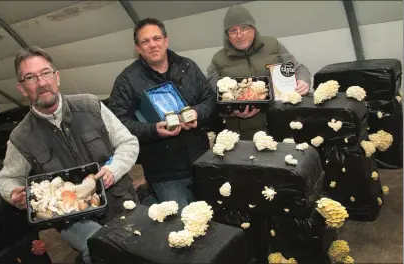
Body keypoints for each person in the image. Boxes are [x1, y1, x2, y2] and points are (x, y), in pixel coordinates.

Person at [0, 46, 140, 264]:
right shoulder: (21, 137)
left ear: (57, 76)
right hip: (74, 220)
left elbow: (128, 143)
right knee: (103, 250)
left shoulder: (91, 106)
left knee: (139, 251)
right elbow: (6, 179)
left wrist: (114, 169)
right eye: (30, 78)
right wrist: (13, 195)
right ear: (22, 88)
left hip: (121, 201)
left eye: (45, 73)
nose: (42, 82)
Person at [108, 18, 216, 210]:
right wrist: (153, 129)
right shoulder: (127, 80)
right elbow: (119, 124)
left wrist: (196, 114)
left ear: (166, 40)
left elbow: (209, 99)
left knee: (210, 214)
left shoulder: (188, 67)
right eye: (145, 41)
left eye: (156, 38)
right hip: (164, 169)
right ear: (138, 48)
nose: (152, 45)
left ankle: (148, 196)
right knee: (180, 224)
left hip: (201, 159)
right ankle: (147, 196)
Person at [207, 5, 311, 140]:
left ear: (253, 28)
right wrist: (231, 112)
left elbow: (299, 69)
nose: (239, 35)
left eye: (244, 28)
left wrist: (303, 81)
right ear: (227, 35)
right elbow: (211, 96)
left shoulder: (273, 45)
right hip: (245, 134)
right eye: (233, 30)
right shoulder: (218, 60)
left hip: (282, 122)